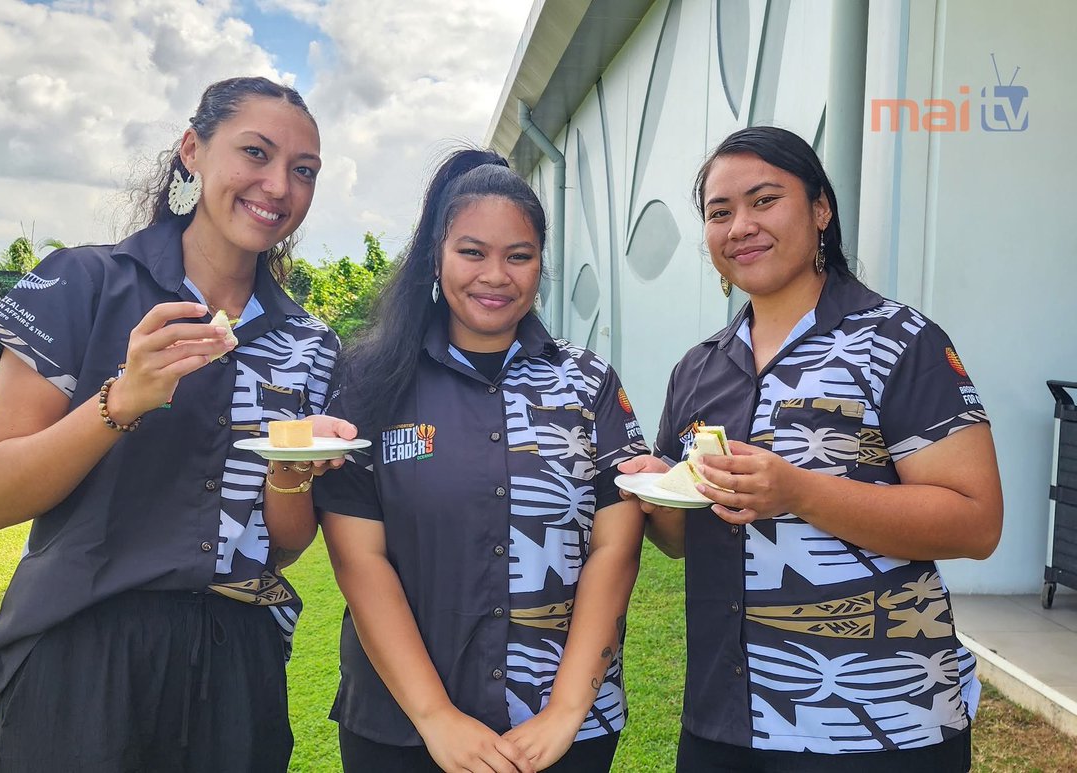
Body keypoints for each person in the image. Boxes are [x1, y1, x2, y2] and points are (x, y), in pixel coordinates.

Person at [0, 76, 353, 771]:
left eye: (303, 171)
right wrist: (121, 401)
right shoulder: (82, 283)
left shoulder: (309, 344)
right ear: (192, 151)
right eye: (255, 153)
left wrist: (289, 475)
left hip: (237, 655)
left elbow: (285, 544)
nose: (277, 186)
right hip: (81, 650)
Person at [617, 126, 1003, 771]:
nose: (740, 225)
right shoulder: (700, 367)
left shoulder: (899, 341)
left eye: (764, 200)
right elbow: (686, 540)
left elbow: (976, 522)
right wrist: (660, 490)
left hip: (880, 721)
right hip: (726, 718)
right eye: (719, 212)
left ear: (820, 209)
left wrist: (798, 491)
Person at [313, 148, 650, 773]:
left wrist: (567, 710)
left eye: (518, 256)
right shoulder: (370, 382)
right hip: (402, 730)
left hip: (560, 733)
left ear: (541, 264)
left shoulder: (589, 383)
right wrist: (436, 716)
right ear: (436, 258)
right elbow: (358, 558)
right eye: (472, 252)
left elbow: (615, 547)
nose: (496, 275)